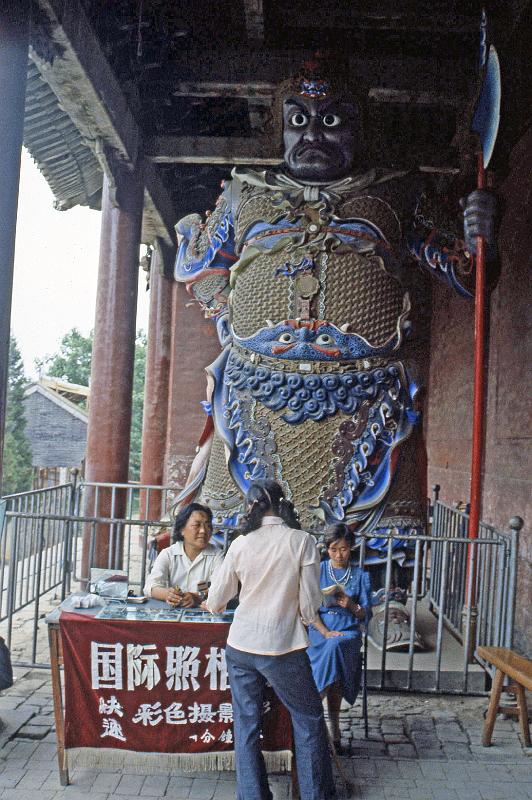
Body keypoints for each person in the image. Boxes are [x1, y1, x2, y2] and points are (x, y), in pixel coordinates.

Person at [174, 54, 498, 649]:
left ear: (361, 128)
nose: (312, 134)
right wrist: (232, 320)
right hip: (256, 386)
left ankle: (388, 603)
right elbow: (197, 267)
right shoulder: (246, 195)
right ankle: (239, 591)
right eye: (298, 119)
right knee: (245, 500)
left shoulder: (398, 195)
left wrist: (480, 238)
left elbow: (463, 274)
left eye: (332, 119)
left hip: (368, 391)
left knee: (384, 508)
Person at [205, 480, 336, 800]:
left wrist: (213, 605)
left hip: (241, 646)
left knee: (246, 725)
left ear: (251, 508)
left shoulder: (240, 543)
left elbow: (217, 598)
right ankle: (314, 794)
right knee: (308, 719)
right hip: (282, 647)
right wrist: (312, 618)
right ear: (283, 504)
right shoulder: (301, 541)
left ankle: (252, 796)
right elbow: (309, 604)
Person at [307, 524, 370, 754]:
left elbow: (367, 614)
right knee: (332, 649)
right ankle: (333, 727)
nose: (339, 555)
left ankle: (314, 705)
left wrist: (353, 606)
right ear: (327, 549)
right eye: (333, 549)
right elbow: (308, 608)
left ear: (351, 548)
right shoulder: (318, 571)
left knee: (336, 646)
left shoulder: (360, 575)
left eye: (343, 549)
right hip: (320, 630)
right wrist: (323, 631)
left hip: (347, 632)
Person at [144, 502, 222, 607]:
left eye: (208, 525)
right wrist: (168, 595)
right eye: (196, 525)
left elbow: (220, 589)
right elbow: (150, 586)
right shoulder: (168, 554)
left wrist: (196, 597)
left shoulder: (217, 556)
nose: (203, 531)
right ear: (182, 530)